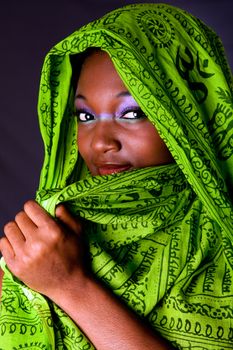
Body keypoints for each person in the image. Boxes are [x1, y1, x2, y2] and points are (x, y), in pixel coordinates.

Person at [0, 2, 233, 349]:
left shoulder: (221, 237)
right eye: (84, 117)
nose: (101, 143)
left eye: (132, 112)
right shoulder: (49, 234)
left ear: (189, 111)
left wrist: (70, 286)